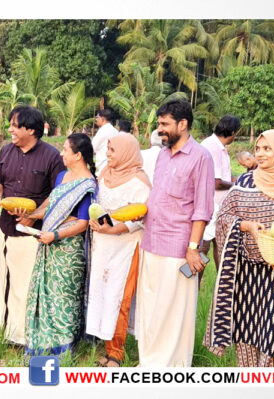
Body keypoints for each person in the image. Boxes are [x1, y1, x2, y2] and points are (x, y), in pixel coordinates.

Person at [203, 129, 274, 367]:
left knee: (272, 335)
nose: (260, 154)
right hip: (245, 271)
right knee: (245, 332)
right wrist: (246, 226)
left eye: (267, 149)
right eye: (258, 149)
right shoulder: (245, 181)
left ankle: (267, 382)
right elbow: (224, 217)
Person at [136, 99, 214, 367]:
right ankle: (149, 363)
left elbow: (202, 209)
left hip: (178, 247)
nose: (160, 129)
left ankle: (170, 367)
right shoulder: (162, 155)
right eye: (159, 124)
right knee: (150, 306)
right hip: (151, 241)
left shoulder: (201, 157)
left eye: (164, 124)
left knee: (173, 310)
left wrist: (193, 248)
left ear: (183, 124)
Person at [0, 106, 65, 346]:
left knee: (24, 284)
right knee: (3, 280)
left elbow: (57, 194)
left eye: (15, 126)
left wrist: (34, 216)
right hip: (5, 227)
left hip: (31, 232)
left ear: (30, 130)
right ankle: (0, 331)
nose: (10, 130)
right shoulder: (6, 151)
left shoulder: (52, 157)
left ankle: (22, 336)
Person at [24, 133, 96, 355]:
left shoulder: (87, 184)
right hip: (49, 246)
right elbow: (50, 205)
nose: (61, 153)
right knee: (46, 295)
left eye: (65, 150)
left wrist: (55, 235)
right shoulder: (62, 176)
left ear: (78, 155)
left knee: (64, 299)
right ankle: (41, 344)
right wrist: (29, 216)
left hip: (69, 251)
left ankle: (63, 349)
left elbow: (83, 223)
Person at [86, 134, 150, 367]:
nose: (108, 154)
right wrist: (96, 222)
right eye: (108, 149)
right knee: (102, 294)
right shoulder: (105, 173)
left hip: (125, 246)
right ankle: (107, 345)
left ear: (126, 152)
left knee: (119, 297)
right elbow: (98, 205)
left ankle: (117, 353)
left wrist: (115, 229)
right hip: (102, 245)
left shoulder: (139, 181)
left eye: (112, 150)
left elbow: (141, 217)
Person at [200, 115, 240, 269]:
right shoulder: (213, 147)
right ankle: (193, 280)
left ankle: (221, 281)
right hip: (210, 203)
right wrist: (235, 185)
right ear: (232, 132)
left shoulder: (219, 147)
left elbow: (224, 176)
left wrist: (236, 180)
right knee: (204, 246)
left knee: (220, 244)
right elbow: (216, 182)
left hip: (218, 204)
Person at [92, 109, 120, 175]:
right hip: (115, 166)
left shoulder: (103, 131)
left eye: (97, 117)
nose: (96, 119)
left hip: (104, 166)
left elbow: (92, 147)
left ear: (102, 119)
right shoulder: (115, 131)